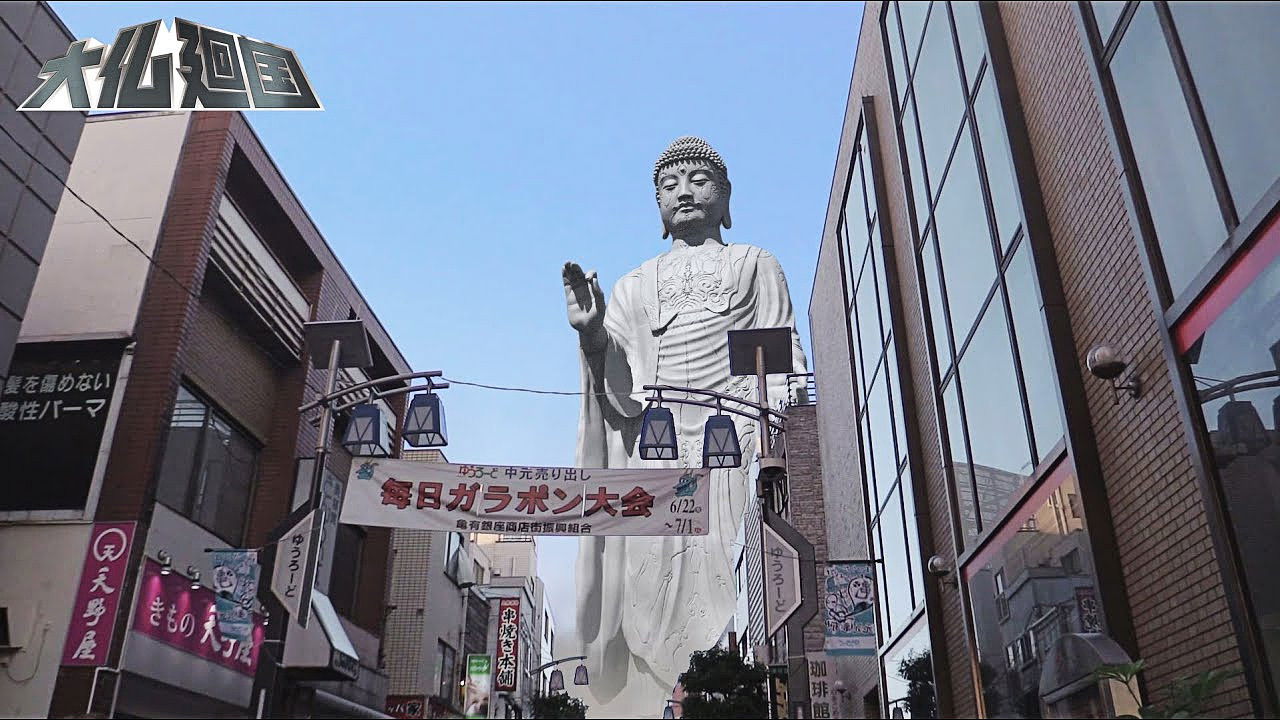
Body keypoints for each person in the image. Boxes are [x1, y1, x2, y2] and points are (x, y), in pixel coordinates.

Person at [563, 136, 807, 715]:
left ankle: (721, 680)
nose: (685, 192)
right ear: (657, 205)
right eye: (669, 185)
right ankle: (662, 691)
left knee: (723, 560)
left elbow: (782, 356)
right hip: (658, 441)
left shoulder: (754, 264)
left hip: (732, 438)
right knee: (647, 576)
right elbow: (620, 386)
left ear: (726, 196)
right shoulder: (633, 284)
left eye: (699, 181)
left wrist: (775, 407)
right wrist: (593, 334)